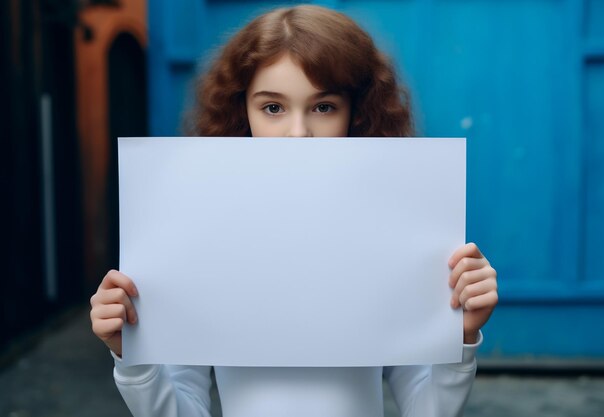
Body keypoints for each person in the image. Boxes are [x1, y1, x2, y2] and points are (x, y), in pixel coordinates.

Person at [90, 5, 498, 417]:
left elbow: (426, 409)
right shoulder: (202, 234)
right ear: (241, 112)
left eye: (323, 107)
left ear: (356, 113)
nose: (298, 133)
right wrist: (134, 356)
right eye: (273, 108)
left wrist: (460, 337)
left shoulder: (392, 233)